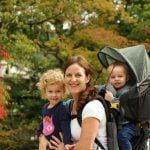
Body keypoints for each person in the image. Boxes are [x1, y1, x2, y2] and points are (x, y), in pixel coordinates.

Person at [50, 55, 107, 150]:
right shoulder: (68, 105)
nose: (73, 80)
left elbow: (85, 148)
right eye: (69, 75)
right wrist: (42, 137)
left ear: (87, 78)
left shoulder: (92, 107)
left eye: (78, 75)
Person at [37, 69, 72, 150]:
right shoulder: (45, 107)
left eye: (58, 91)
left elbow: (66, 126)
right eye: (50, 91)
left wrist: (67, 144)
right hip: (47, 144)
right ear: (45, 92)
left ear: (63, 91)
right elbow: (43, 124)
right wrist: (40, 135)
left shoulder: (62, 108)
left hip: (58, 145)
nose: (54, 95)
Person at [104, 62, 136, 150]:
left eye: (120, 76)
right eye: (113, 77)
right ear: (108, 79)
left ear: (127, 78)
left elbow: (123, 109)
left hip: (129, 124)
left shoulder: (128, 92)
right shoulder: (112, 90)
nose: (116, 79)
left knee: (122, 137)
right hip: (119, 124)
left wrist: (112, 100)